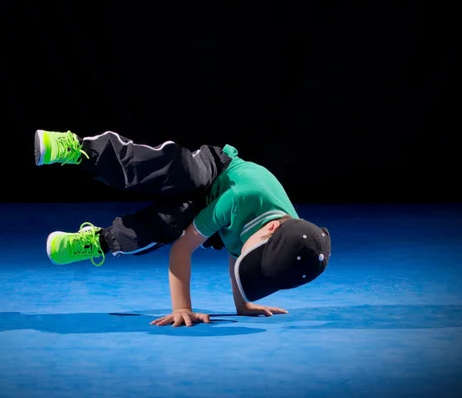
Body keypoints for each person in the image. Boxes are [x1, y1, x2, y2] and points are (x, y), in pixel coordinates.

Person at [35, 129, 332, 327]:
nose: (251, 255)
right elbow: (183, 249)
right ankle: (81, 151)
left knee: (162, 227)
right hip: (216, 172)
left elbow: (239, 254)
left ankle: (97, 242)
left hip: (216, 216)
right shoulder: (242, 199)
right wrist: (182, 308)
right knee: (179, 169)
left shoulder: (277, 236)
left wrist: (244, 304)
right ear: (273, 227)